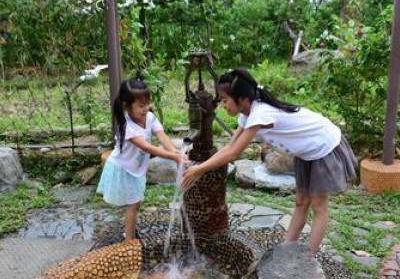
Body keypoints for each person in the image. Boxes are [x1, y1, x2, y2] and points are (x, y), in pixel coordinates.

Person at [181, 68, 357, 254]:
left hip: (323, 145)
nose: (223, 105)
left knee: (319, 206)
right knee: (301, 201)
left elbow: (233, 154)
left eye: (225, 100)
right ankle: (287, 248)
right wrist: (200, 167)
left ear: (241, 99)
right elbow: (229, 148)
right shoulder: (247, 115)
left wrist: (199, 169)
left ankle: (309, 258)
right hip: (305, 150)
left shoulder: (260, 114)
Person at [97, 77, 188, 240]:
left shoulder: (150, 117)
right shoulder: (126, 124)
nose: (146, 108)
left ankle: (130, 235)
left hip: (136, 169)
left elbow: (162, 136)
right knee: (133, 205)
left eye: (148, 103)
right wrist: (174, 156)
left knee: (135, 203)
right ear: (126, 105)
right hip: (123, 168)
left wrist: (175, 152)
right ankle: (130, 241)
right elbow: (146, 147)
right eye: (141, 105)